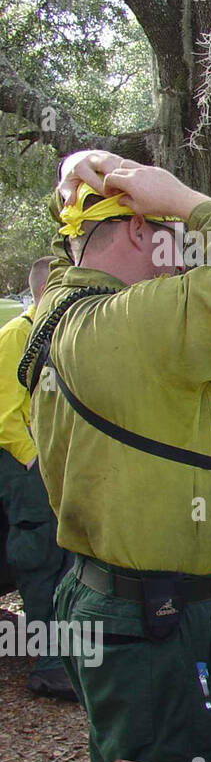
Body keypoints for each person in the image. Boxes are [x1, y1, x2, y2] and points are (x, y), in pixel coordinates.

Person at [25, 150, 211, 762]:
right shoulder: (137, 322)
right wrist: (183, 198)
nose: (184, 255)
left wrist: (79, 168)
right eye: (174, 240)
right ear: (137, 229)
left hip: (105, 598)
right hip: (156, 620)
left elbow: (77, 237)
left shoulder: (53, 312)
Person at [0, 257, 72, 699]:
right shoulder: (17, 337)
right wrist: (35, 462)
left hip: (55, 467)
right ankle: (48, 665)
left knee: (65, 560)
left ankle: (64, 655)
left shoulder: (58, 338)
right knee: (40, 559)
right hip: (22, 467)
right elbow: (7, 417)